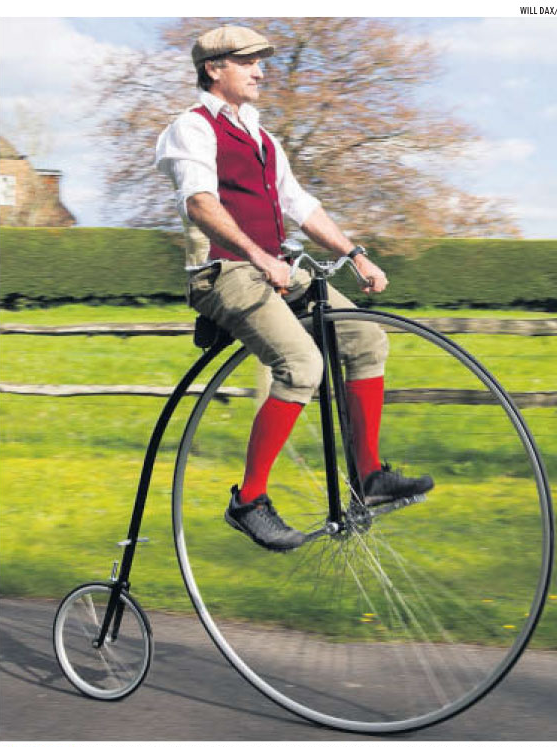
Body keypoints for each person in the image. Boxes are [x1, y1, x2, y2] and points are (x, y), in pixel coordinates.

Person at [156, 25, 433, 551]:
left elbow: (299, 205)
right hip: (224, 273)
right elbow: (199, 202)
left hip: (277, 266)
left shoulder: (263, 138)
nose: (261, 71)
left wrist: (354, 253)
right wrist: (258, 256)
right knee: (302, 366)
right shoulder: (190, 129)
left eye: (262, 61)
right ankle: (249, 500)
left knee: (366, 338)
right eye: (248, 61)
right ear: (214, 69)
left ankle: (369, 475)